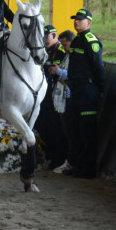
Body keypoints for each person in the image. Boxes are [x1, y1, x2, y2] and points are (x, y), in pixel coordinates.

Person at [64, 9, 105, 179]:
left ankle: (89, 169)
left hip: (87, 91)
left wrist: (101, 89)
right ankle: (79, 165)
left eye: (80, 20)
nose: (76, 22)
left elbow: (98, 67)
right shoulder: (76, 41)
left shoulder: (91, 41)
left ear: (88, 23)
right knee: (76, 130)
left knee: (88, 131)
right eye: (75, 19)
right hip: (76, 90)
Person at [33, 25, 67, 169]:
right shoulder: (43, 51)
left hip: (56, 95)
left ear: (54, 35)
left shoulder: (61, 51)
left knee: (55, 128)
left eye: (46, 37)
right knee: (43, 127)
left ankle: (58, 159)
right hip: (43, 95)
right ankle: (47, 157)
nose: (44, 40)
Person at [49, 30, 76, 173]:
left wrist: (58, 71)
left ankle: (70, 161)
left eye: (65, 45)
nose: (64, 48)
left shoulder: (75, 57)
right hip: (62, 98)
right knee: (65, 132)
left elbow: (73, 75)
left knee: (71, 133)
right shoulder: (67, 56)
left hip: (70, 97)